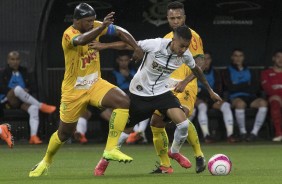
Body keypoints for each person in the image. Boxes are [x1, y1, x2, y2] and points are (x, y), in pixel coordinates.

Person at [29, 3, 143, 177]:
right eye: (88, 21)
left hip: (95, 83)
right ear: (77, 20)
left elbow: (121, 32)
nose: (92, 23)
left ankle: (110, 149)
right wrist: (102, 27)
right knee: (64, 133)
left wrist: (136, 47)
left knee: (123, 102)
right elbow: (81, 41)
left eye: (93, 20)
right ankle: (46, 161)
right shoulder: (69, 34)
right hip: (73, 91)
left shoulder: (97, 26)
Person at [94, 1, 209, 175]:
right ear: (168, 19)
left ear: (184, 17)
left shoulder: (189, 38)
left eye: (179, 17)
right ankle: (162, 165)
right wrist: (105, 46)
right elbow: (132, 45)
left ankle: (196, 155)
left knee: (182, 119)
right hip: (144, 91)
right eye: (172, 18)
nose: (176, 21)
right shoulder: (162, 41)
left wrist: (189, 83)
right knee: (146, 125)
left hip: (176, 87)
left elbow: (199, 63)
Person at [75, 51, 139, 144]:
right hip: (118, 101)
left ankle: (135, 132)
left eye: (126, 60)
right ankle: (80, 133)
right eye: (121, 60)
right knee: (92, 108)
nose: (124, 63)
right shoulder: (113, 74)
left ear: (129, 60)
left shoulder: (136, 72)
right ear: (118, 61)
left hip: (134, 99)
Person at [0, 51, 56, 144]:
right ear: (8, 61)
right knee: (17, 89)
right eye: (12, 59)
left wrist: (27, 90)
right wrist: (14, 91)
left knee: (33, 109)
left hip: (21, 100)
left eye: (17, 59)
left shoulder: (24, 71)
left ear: (20, 60)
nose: (15, 62)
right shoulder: (3, 72)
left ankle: (33, 136)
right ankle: (41, 106)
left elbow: (34, 86)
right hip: (7, 100)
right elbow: (1, 88)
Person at [222, 48, 268, 141]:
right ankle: (243, 132)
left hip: (250, 97)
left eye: (240, 56)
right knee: (240, 104)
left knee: (263, 103)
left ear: (243, 57)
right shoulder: (227, 71)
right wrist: (246, 84)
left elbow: (255, 87)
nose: (238, 58)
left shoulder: (249, 70)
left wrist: (238, 85)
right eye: (236, 56)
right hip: (235, 97)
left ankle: (254, 133)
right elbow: (230, 88)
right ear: (232, 58)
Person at [195, 51, 235, 143]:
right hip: (199, 99)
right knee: (202, 106)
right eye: (203, 59)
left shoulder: (216, 73)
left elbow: (219, 90)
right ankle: (206, 135)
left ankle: (230, 135)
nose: (205, 61)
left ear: (211, 60)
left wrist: (203, 91)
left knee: (226, 106)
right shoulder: (193, 72)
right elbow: (194, 90)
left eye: (208, 58)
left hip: (213, 98)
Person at [261, 49, 282, 142]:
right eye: (278, 57)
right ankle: (279, 133)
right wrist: (276, 95)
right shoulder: (266, 73)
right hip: (273, 98)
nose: (281, 59)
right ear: (273, 58)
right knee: (275, 102)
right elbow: (267, 87)